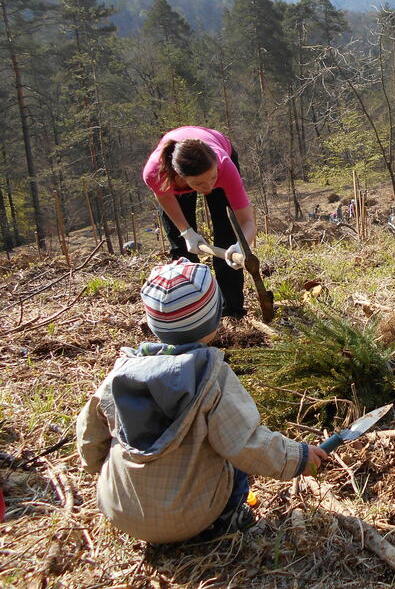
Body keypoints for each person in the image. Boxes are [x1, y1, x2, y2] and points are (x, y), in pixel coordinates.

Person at [76, 259, 328, 544]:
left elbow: (89, 436)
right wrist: (298, 457)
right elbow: (246, 443)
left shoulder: (119, 376)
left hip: (120, 510)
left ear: (150, 321)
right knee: (231, 457)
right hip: (191, 519)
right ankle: (227, 519)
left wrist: (98, 468)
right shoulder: (212, 380)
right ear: (216, 318)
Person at [143, 126, 256, 319]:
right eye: (199, 184)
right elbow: (165, 198)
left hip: (218, 151)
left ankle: (232, 310)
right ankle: (189, 308)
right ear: (179, 176)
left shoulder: (224, 166)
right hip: (175, 176)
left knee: (227, 236)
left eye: (212, 179)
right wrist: (186, 231)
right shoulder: (156, 173)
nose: (209, 187)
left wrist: (240, 246)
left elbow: (248, 222)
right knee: (180, 246)